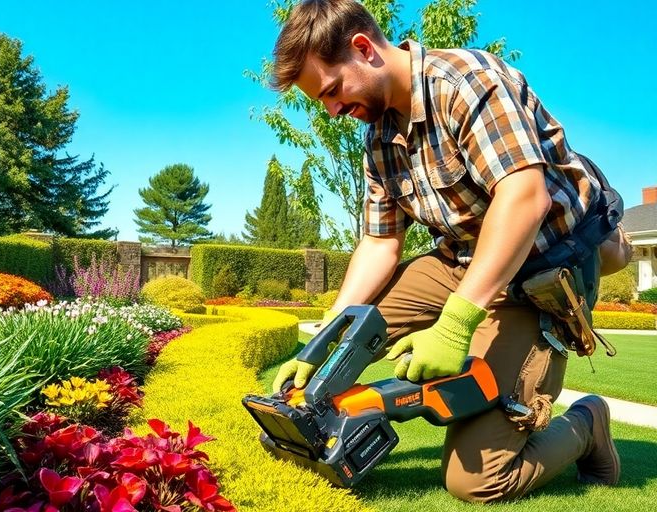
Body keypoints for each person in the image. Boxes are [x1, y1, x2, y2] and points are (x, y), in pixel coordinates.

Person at [267, 0, 628, 503]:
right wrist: (328, 335)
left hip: (540, 272)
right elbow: (378, 242)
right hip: (459, 260)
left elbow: (524, 198)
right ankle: (313, 426)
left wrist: (456, 323)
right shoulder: (378, 138)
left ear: (364, 49)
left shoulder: (465, 82)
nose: (331, 110)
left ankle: (588, 424)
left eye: (331, 91)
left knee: (476, 482)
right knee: (357, 329)